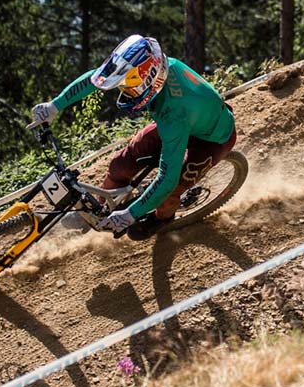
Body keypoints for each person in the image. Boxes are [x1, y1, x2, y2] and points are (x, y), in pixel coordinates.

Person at [31, 34, 237, 240]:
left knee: (170, 192)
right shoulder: (155, 66)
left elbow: (167, 179)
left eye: (128, 88)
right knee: (121, 164)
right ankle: (96, 210)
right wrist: (54, 106)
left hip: (213, 139)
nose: (124, 91)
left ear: (150, 80)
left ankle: (163, 219)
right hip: (190, 119)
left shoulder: (173, 115)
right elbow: (97, 79)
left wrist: (131, 215)